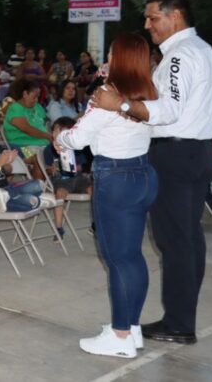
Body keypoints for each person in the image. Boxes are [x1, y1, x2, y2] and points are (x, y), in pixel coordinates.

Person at [92, 0, 212, 346]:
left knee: (175, 241)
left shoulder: (180, 55)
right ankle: (181, 316)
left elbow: (169, 109)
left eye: (153, 17)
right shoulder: (202, 51)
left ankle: (179, 323)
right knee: (188, 238)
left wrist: (120, 103)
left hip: (175, 154)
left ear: (175, 15)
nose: (147, 25)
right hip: (195, 152)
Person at [57, 33, 158, 358]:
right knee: (133, 256)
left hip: (115, 177)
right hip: (143, 173)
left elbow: (79, 138)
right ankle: (131, 328)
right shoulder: (148, 94)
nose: (107, 59)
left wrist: (61, 137)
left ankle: (119, 336)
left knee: (116, 259)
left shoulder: (108, 96)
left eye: (112, 55)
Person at [43, 117, 92, 237]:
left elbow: (84, 166)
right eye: (56, 131)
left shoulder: (77, 149)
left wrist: (75, 167)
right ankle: (59, 228)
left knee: (94, 189)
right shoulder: (49, 149)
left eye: (63, 132)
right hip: (61, 180)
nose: (58, 135)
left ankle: (96, 223)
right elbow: (47, 169)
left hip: (78, 178)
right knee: (59, 193)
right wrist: (51, 169)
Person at [2, 80, 51, 155]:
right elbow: (27, 129)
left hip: (42, 144)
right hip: (22, 146)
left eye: (38, 97)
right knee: (41, 157)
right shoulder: (15, 108)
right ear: (25, 94)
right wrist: (48, 136)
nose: (36, 100)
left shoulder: (37, 106)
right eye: (34, 97)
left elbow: (46, 123)